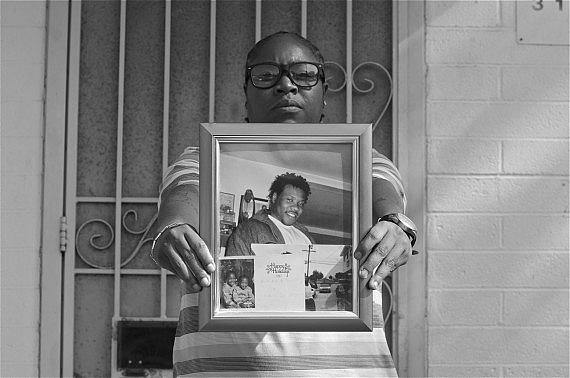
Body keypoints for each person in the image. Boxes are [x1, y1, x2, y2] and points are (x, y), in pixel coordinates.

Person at [152, 31, 417, 376]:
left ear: (323, 94)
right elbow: (181, 200)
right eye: (266, 75)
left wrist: (398, 228)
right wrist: (172, 230)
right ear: (246, 95)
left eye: (304, 74)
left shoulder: (365, 161)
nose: (286, 86)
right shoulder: (203, 160)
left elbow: (387, 203)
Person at [226, 172, 314, 255]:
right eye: (289, 200)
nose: (296, 207)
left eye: (300, 204)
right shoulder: (249, 229)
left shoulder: (306, 236)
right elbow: (234, 268)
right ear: (275, 198)